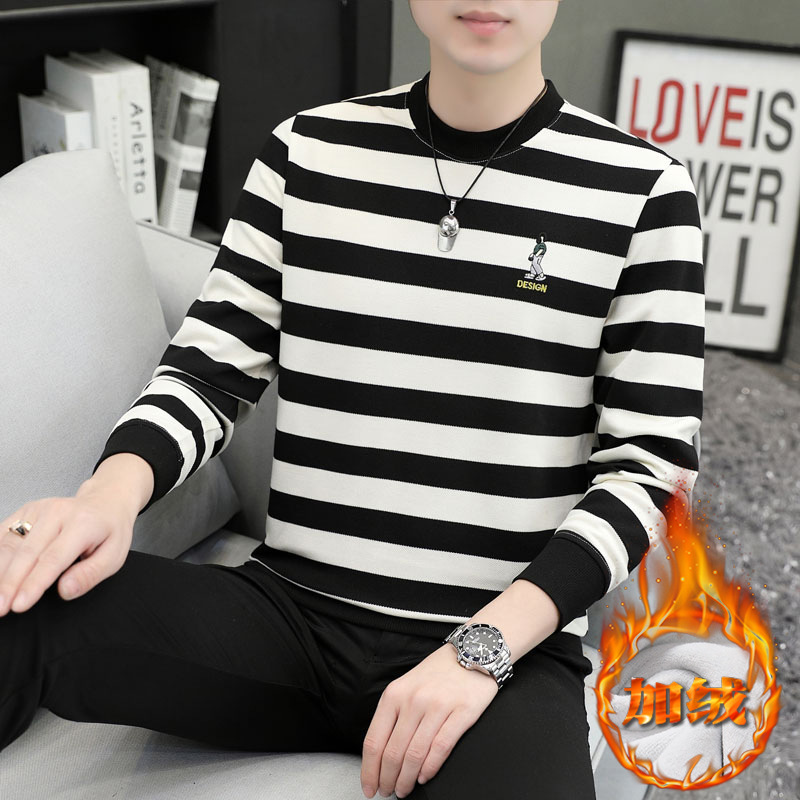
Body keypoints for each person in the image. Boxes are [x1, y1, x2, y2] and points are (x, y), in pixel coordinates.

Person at [0, 1, 705, 798]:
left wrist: (482, 651)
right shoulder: (306, 152)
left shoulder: (644, 191)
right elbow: (208, 371)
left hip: (500, 654)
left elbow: (650, 473)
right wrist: (106, 498)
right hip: (286, 620)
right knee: (20, 603)